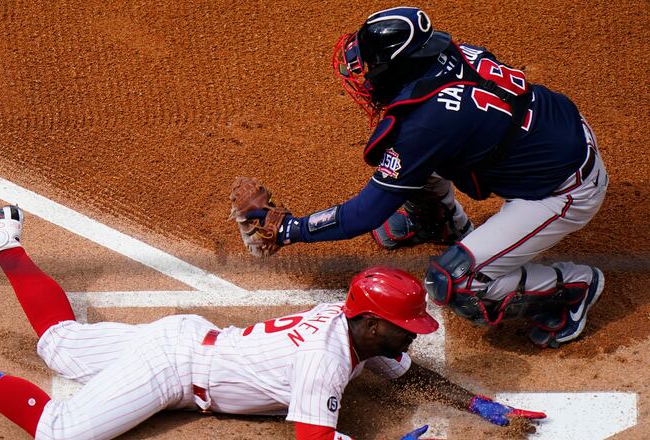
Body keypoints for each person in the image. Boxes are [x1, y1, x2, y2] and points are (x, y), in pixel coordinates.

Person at [0, 205, 544, 439]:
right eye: (406, 328)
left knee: (58, 344)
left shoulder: (347, 322)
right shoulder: (326, 362)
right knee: (59, 431)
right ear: (373, 325)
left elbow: (408, 373)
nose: (412, 335)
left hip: (184, 339)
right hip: (173, 368)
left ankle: (4, 241)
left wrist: (479, 403)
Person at [248, 6, 608, 348]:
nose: (365, 77)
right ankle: (436, 222)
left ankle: (573, 288)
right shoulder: (451, 54)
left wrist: (289, 229)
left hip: (562, 190)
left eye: (371, 67)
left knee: (453, 282)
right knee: (412, 163)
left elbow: (366, 213)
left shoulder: (427, 122)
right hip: (555, 137)